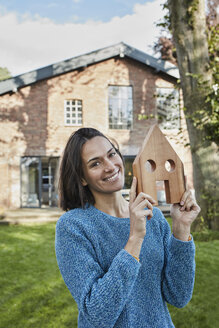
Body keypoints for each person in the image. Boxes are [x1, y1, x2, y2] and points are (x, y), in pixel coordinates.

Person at [55, 127, 200, 328]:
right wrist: (135, 238)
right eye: (95, 163)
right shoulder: (73, 226)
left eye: (111, 154)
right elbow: (97, 314)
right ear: (82, 178)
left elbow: (178, 296)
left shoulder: (154, 216)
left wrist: (181, 229)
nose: (110, 166)